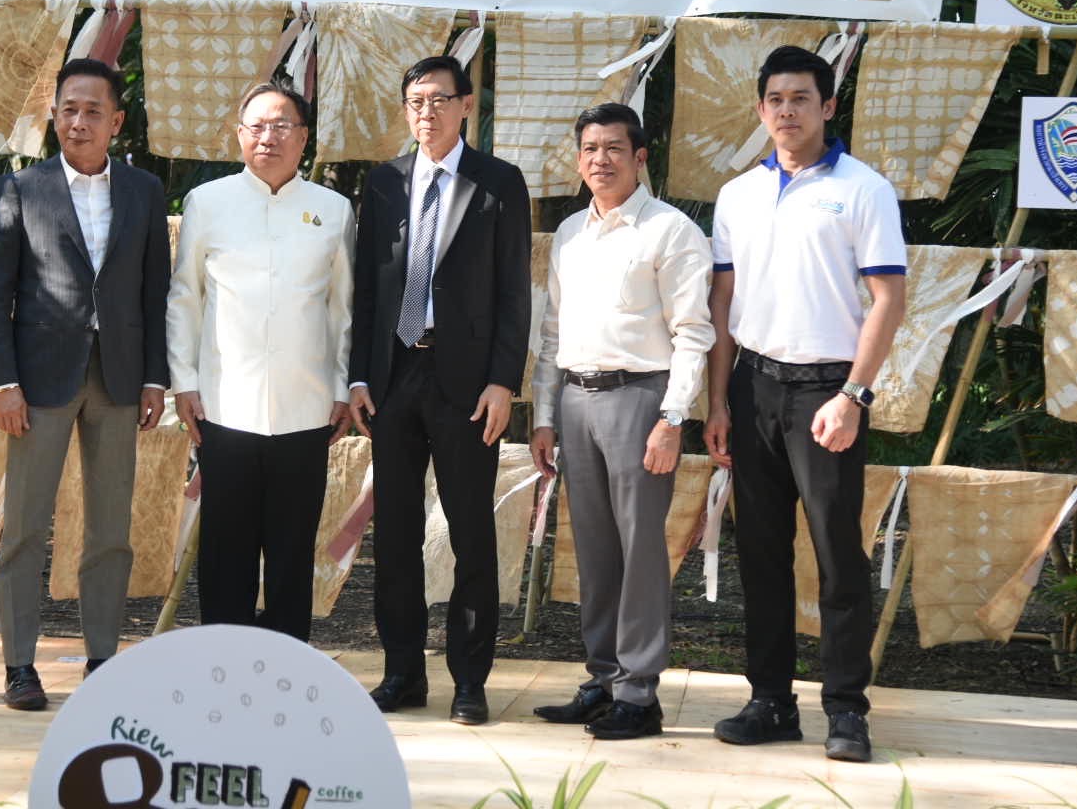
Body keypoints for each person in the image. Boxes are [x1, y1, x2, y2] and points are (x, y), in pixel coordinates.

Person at [703, 45, 907, 763]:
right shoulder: (737, 195)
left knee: (836, 554)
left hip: (828, 391)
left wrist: (854, 394)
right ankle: (771, 701)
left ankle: (847, 711)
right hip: (753, 386)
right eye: (775, 99)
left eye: (800, 98)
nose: (786, 111)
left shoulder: (863, 189)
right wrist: (717, 401)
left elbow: (889, 298)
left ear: (827, 106)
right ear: (760, 110)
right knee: (760, 554)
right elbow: (722, 302)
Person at [0, 57, 171, 711]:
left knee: (110, 530)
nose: (79, 122)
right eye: (68, 110)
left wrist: (155, 377)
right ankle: (19, 666)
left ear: (116, 121)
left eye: (93, 111)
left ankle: (102, 661)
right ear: (53, 116)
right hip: (37, 380)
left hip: (119, 378)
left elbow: (154, 290)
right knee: (26, 527)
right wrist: (2, 382)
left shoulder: (145, 191)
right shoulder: (21, 189)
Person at [348, 55, 532, 726]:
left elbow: (514, 292)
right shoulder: (384, 182)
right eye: (416, 101)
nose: (427, 112)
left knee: (471, 533)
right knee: (394, 534)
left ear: (466, 105)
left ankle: (469, 680)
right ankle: (402, 672)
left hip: (468, 384)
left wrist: (503, 382)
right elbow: (367, 288)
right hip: (394, 377)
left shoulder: (498, 183)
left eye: (439, 99)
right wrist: (359, 375)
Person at [527, 103, 713, 740]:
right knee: (595, 549)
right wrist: (544, 415)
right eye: (589, 149)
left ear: (639, 158)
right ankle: (603, 680)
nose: (599, 159)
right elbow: (552, 332)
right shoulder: (570, 232)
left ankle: (640, 693)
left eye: (613, 148)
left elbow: (694, 332)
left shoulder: (670, 231)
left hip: (641, 399)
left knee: (640, 550)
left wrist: (672, 417)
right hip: (576, 400)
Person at [167, 81, 354, 642]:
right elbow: (185, 297)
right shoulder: (207, 203)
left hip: (306, 406)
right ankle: (222, 662)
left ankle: (286, 663)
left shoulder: (333, 210)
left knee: (292, 552)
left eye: (281, 126)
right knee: (226, 550)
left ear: (303, 136)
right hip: (224, 406)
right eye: (257, 126)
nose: (268, 137)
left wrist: (340, 388)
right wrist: (184, 383)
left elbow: (343, 308)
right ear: (239, 134)